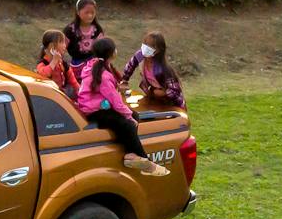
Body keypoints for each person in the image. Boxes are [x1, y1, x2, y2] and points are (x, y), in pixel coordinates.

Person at [76, 36, 168, 176]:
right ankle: (145, 162)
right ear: (112, 53)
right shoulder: (103, 74)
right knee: (128, 123)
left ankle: (130, 153)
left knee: (134, 116)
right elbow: (115, 101)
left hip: (95, 107)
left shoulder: (94, 66)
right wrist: (128, 116)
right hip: (94, 111)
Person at [121, 31, 185, 110]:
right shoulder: (140, 56)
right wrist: (124, 81)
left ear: (158, 50)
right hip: (155, 98)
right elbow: (130, 66)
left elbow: (175, 91)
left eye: (150, 46)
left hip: (172, 102)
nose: (146, 47)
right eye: (145, 43)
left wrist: (163, 93)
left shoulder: (164, 69)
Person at [34, 29, 79, 94]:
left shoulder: (63, 64)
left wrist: (79, 90)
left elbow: (73, 80)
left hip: (60, 95)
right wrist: (54, 61)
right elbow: (43, 75)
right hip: (47, 95)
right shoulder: (43, 63)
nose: (65, 45)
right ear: (52, 46)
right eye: (61, 42)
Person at [64, 0, 104, 66]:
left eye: (92, 13)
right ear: (78, 12)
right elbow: (62, 47)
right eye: (86, 12)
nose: (90, 16)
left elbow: (101, 48)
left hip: (93, 65)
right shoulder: (70, 30)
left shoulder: (97, 29)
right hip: (76, 65)